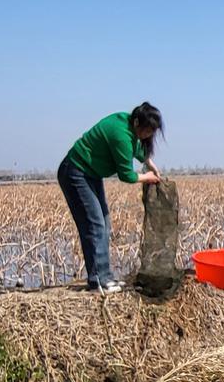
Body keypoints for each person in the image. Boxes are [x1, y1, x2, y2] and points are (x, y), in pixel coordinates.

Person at [58, 103, 163, 293]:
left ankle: (104, 276)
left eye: (151, 132)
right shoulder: (120, 134)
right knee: (95, 224)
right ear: (137, 122)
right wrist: (147, 177)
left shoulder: (128, 124)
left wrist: (150, 164)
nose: (148, 135)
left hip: (90, 173)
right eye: (147, 130)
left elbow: (137, 149)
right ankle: (98, 280)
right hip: (75, 172)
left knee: (104, 223)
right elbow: (127, 175)